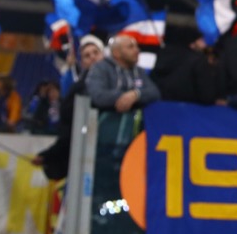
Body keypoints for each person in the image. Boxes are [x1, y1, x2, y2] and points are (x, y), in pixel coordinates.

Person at [34, 34, 110, 180]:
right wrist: (49, 155)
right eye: (87, 55)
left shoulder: (121, 80)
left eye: (95, 52)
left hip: (115, 151)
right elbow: (69, 130)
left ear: (103, 55)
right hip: (87, 154)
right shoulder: (77, 89)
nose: (92, 57)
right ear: (82, 63)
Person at [86, 34, 160, 112]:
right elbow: (98, 96)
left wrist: (136, 94)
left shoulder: (139, 70)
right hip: (105, 117)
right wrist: (125, 96)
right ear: (116, 53)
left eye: (136, 47)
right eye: (131, 47)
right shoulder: (100, 68)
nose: (137, 50)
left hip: (134, 118)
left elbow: (155, 92)